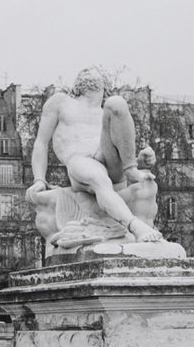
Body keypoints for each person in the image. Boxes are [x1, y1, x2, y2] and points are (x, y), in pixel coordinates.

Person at [26, 69, 164, 244]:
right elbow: (41, 143)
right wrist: (39, 179)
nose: (91, 72)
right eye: (87, 72)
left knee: (118, 103)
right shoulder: (61, 102)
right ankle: (136, 226)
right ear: (77, 84)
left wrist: (141, 160)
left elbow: (120, 143)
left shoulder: (105, 112)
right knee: (100, 179)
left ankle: (131, 169)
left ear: (105, 86)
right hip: (80, 159)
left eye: (96, 73)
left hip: (109, 160)